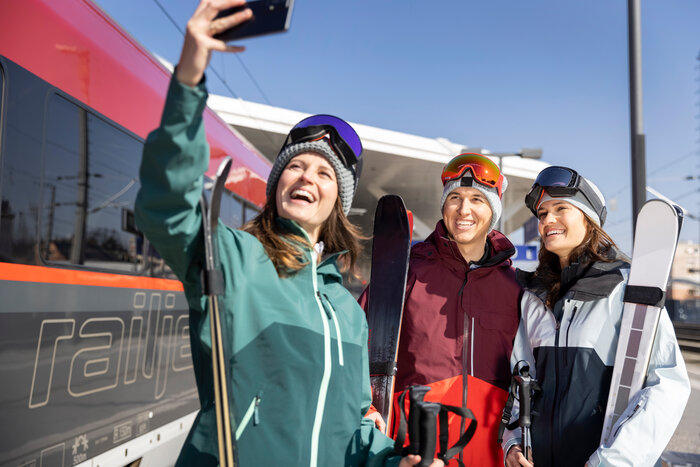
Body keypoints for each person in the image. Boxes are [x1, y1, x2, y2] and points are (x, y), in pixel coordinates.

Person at [134, 1, 443, 466]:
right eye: (295, 166)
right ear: (277, 183)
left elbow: (354, 428)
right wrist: (189, 79)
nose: (305, 177)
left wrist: (393, 462)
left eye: (323, 173)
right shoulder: (235, 258)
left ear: (338, 199)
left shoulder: (347, 311)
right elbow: (168, 207)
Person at [502, 166, 690, 467]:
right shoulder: (534, 296)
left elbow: (667, 384)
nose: (547, 220)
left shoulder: (627, 285)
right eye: (541, 214)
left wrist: (614, 461)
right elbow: (521, 379)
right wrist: (513, 443)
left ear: (588, 218)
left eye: (560, 208)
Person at [362, 153, 523, 466]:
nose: (464, 209)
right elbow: (354, 345)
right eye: (455, 198)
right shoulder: (405, 273)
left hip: (489, 455)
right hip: (416, 453)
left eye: (478, 198)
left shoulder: (516, 288)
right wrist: (367, 411)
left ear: (493, 210)